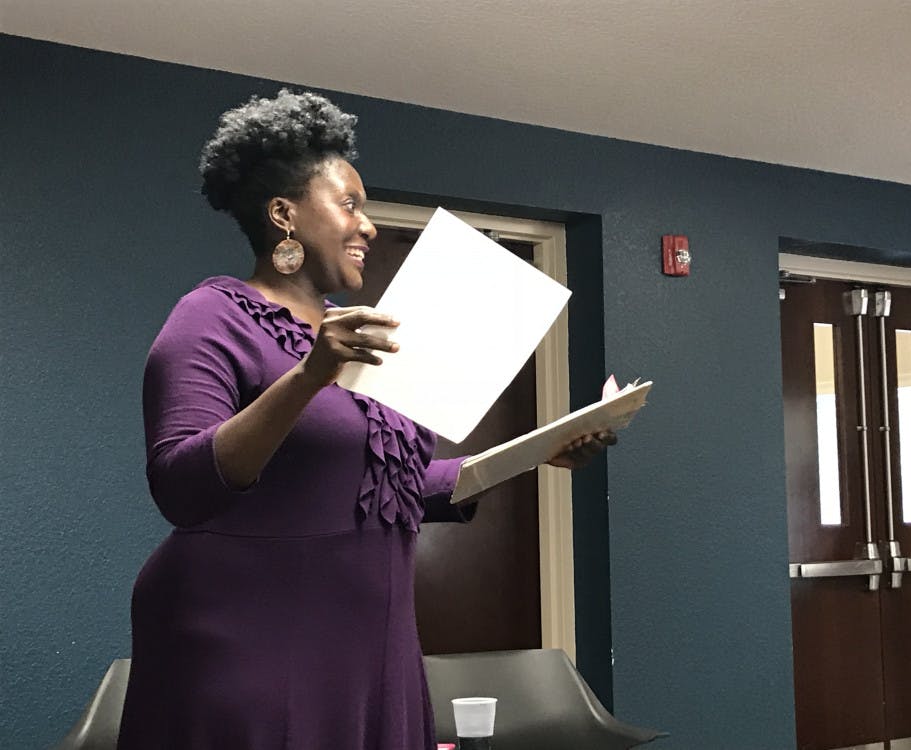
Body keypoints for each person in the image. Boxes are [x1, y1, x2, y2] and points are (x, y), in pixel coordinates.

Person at [117, 89, 616, 750]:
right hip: (250, 645)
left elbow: (393, 486)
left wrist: (537, 450)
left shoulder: (358, 336)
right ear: (283, 215)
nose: (369, 226)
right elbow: (180, 485)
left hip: (369, 647)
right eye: (349, 204)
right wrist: (309, 375)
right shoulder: (214, 317)